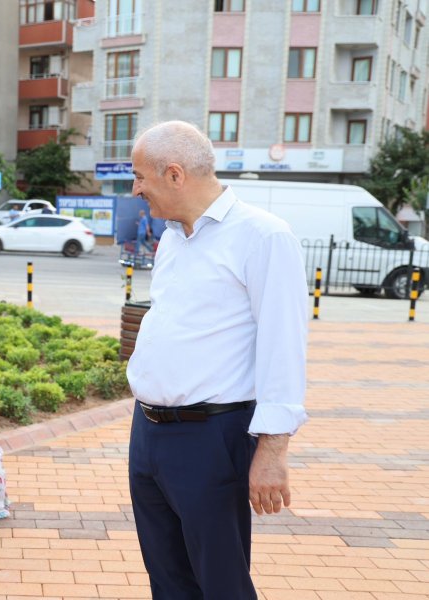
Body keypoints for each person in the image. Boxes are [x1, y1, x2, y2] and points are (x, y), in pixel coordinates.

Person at [125, 121, 309, 599]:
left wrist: (272, 450)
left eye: (140, 176)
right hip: (147, 432)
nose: (135, 187)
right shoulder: (172, 237)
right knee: (166, 578)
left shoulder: (263, 236)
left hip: (211, 437)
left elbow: (283, 347)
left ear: (174, 174)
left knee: (221, 582)